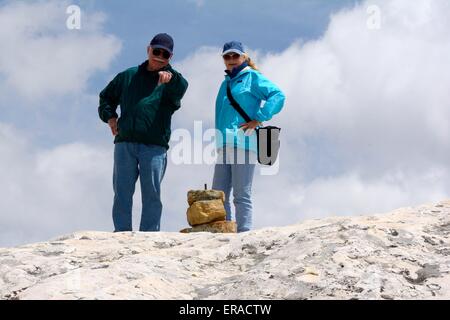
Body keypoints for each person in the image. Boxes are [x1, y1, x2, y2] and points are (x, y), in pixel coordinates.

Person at [98, 33, 188, 232]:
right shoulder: (127, 76)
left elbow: (182, 88)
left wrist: (170, 78)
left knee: (152, 193)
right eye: (156, 51)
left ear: (170, 58)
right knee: (122, 191)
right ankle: (121, 232)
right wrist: (110, 117)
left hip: (154, 146)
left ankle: (150, 235)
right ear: (148, 49)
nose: (159, 56)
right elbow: (106, 97)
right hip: (125, 143)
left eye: (165, 54)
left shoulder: (172, 81)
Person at [212, 41, 285, 233]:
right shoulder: (225, 83)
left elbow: (278, 95)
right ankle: (224, 232)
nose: (231, 60)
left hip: (244, 142)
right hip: (224, 144)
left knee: (241, 194)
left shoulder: (252, 77)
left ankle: (244, 234)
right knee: (218, 195)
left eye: (235, 56)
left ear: (244, 57)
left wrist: (259, 118)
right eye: (227, 56)